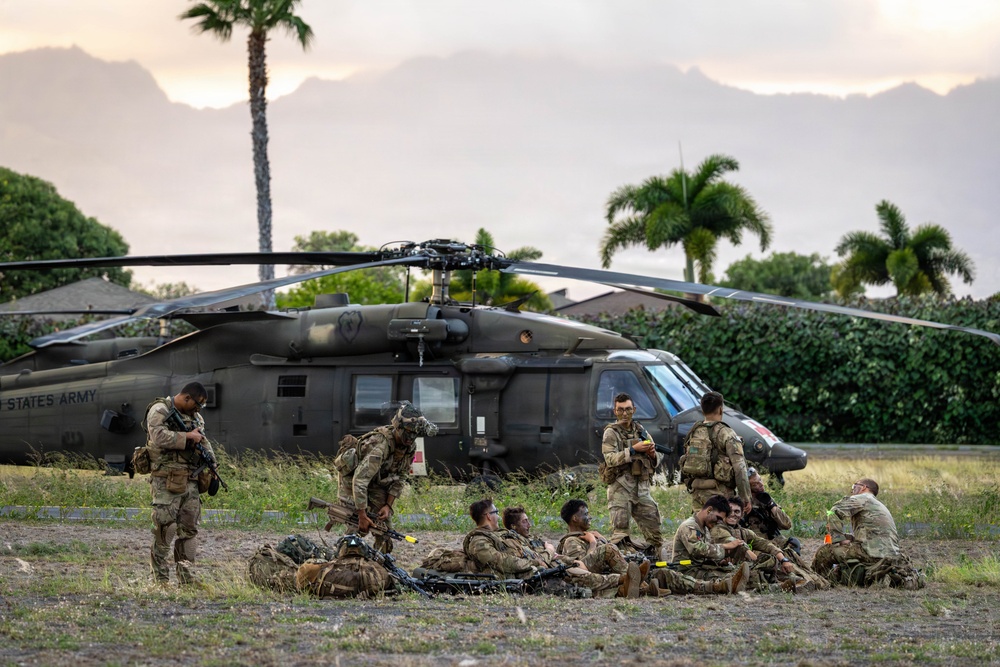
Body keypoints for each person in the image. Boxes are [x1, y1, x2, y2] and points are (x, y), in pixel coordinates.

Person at [559, 498, 747, 596]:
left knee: (668, 574)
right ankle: (640, 583)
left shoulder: (593, 536)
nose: (589, 518)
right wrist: (593, 543)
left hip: (626, 573)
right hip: (612, 578)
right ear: (575, 518)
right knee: (611, 551)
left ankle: (718, 587)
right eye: (585, 515)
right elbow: (580, 567)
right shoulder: (571, 541)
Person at [463, 498, 643, 598]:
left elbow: (528, 551)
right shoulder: (479, 540)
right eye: (494, 512)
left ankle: (630, 583)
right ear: (487, 516)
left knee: (575, 571)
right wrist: (541, 559)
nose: (496, 515)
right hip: (532, 573)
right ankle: (625, 581)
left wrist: (569, 560)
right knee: (575, 579)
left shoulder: (502, 535)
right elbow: (501, 561)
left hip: (541, 566)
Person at [337, 401, 438, 554]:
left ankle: (381, 563)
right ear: (398, 427)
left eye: (414, 434)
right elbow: (359, 481)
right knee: (357, 526)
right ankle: (343, 557)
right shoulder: (380, 446)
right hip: (353, 483)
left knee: (385, 530)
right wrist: (362, 515)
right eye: (408, 433)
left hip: (376, 483)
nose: (410, 438)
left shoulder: (409, 447)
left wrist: (388, 506)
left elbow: (401, 477)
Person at [145, 382, 214, 586]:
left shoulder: (196, 418)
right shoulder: (160, 410)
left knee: (189, 531)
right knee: (165, 529)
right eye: (196, 404)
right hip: (166, 480)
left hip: (190, 480)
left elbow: (203, 441)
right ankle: (160, 580)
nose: (198, 409)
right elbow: (158, 436)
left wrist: (212, 463)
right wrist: (186, 437)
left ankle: (186, 579)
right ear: (186, 398)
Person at [812, 478, 924, 589]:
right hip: (889, 555)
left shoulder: (862, 498)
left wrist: (838, 538)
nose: (852, 490)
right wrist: (848, 538)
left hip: (870, 552)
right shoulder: (877, 504)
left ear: (863, 487)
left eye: (854, 486)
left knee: (824, 552)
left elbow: (833, 511)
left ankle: (822, 582)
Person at [713, 498, 827, 592]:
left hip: (741, 566)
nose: (732, 514)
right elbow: (738, 545)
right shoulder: (718, 529)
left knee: (781, 556)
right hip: (722, 569)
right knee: (764, 564)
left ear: (742, 514)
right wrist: (756, 559)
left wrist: (784, 560)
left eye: (737, 512)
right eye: (729, 511)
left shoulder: (743, 531)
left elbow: (765, 544)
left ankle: (803, 579)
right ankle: (783, 584)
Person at [601, 392, 664, 557]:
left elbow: (657, 453)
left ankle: (655, 565)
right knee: (620, 535)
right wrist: (633, 450)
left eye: (628, 409)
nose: (624, 413)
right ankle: (621, 570)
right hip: (620, 488)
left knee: (654, 532)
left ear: (634, 410)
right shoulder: (611, 433)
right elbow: (609, 459)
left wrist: (651, 453)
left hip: (641, 489)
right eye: (620, 410)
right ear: (615, 411)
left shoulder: (640, 430)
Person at [680, 391, 752, 513]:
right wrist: (745, 497)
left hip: (697, 491)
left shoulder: (694, 431)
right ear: (720, 410)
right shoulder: (726, 433)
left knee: (699, 525)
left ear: (703, 410)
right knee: (720, 528)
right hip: (720, 494)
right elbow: (740, 468)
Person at [671, 494, 750, 584]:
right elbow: (697, 550)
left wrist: (720, 562)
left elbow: (703, 556)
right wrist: (725, 546)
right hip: (685, 571)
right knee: (726, 578)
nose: (718, 522)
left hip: (698, 568)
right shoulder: (689, 526)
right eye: (718, 518)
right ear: (709, 510)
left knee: (731, 572)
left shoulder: (705, 528)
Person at [742, 467, 801, 556]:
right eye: (755, 484)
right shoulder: (742, 503)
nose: (761, 485)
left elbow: (787, 524)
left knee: (794, 543)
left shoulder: (766, 499)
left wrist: (771, 505)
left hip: (774, 539)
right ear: (747, 487)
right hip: (758, 545)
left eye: (760, 480)